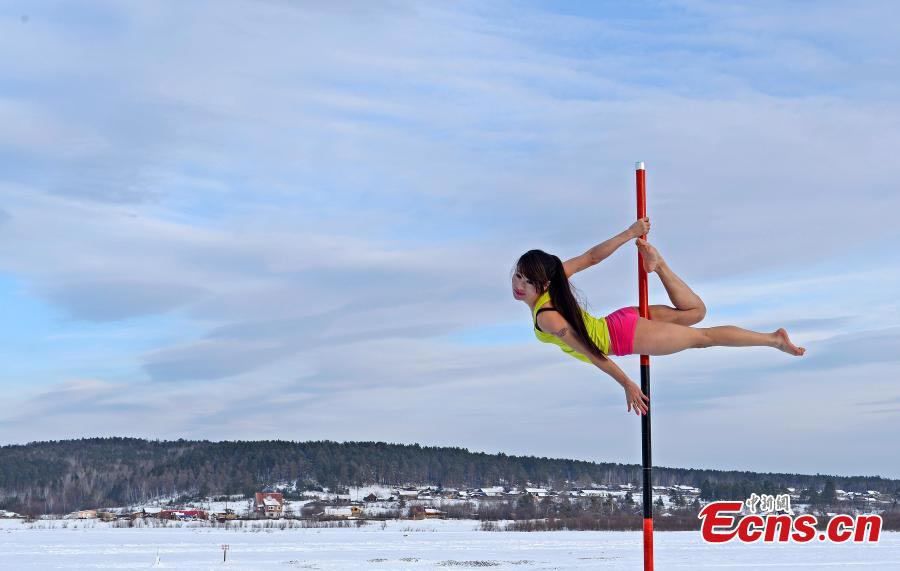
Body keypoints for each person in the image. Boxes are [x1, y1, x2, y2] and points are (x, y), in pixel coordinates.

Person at [511, 217, 805, 417]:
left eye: (527, 282)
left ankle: (773, 339)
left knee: (704, 338)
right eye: (518, 276)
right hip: (620, 320)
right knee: (696, 312)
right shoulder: (556, 283)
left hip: (623, 336)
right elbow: (591, 257)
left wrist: (627, 383)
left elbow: (591, 350)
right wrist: (630, 232)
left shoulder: (546, 317)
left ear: (545, 284)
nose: (519, 285)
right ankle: (659, 265)